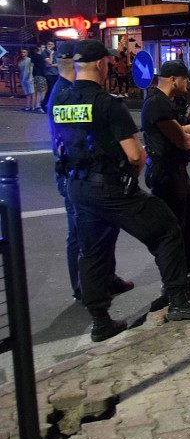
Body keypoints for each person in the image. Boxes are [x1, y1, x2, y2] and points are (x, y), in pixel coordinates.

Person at [52, 39, 190, 342]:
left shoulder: (60, 100)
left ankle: (101, 321)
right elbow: (135, 154)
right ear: (102, 65)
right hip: (110, 187)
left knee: (92, 253)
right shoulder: (107, 103)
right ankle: (179, 300)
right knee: (167, 229)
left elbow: (60, 143)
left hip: (77, 186)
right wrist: (131, 173)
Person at [47, 41, 134, 303]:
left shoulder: (67, 93)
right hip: (78, 173)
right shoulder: (64, 95)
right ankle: (84, 288)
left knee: (100, 228)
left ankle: (106, 278)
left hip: (81, 172)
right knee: (80, 233)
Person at [141, 59, 190, 276]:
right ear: (173, 80)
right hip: (165, 172)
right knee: (174, 226)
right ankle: (174, 280)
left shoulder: (174, 102)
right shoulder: (157, 104)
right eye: (185, 79)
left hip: (178, 169)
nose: (188, 84)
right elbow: (184, 140)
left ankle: (188, 260)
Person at [42, 40, 59, 109]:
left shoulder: (57, 53)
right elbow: (49, 62)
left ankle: (53, 103)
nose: (50, 46)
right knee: (50, 89)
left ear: (54, 45)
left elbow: (59, 64)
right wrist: (51, 54)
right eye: (49, 44)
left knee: (56, 89)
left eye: (51, 44)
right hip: (49, 74)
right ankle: (44, 103)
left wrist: (52, 65)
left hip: (56, 73)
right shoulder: (44, 53)